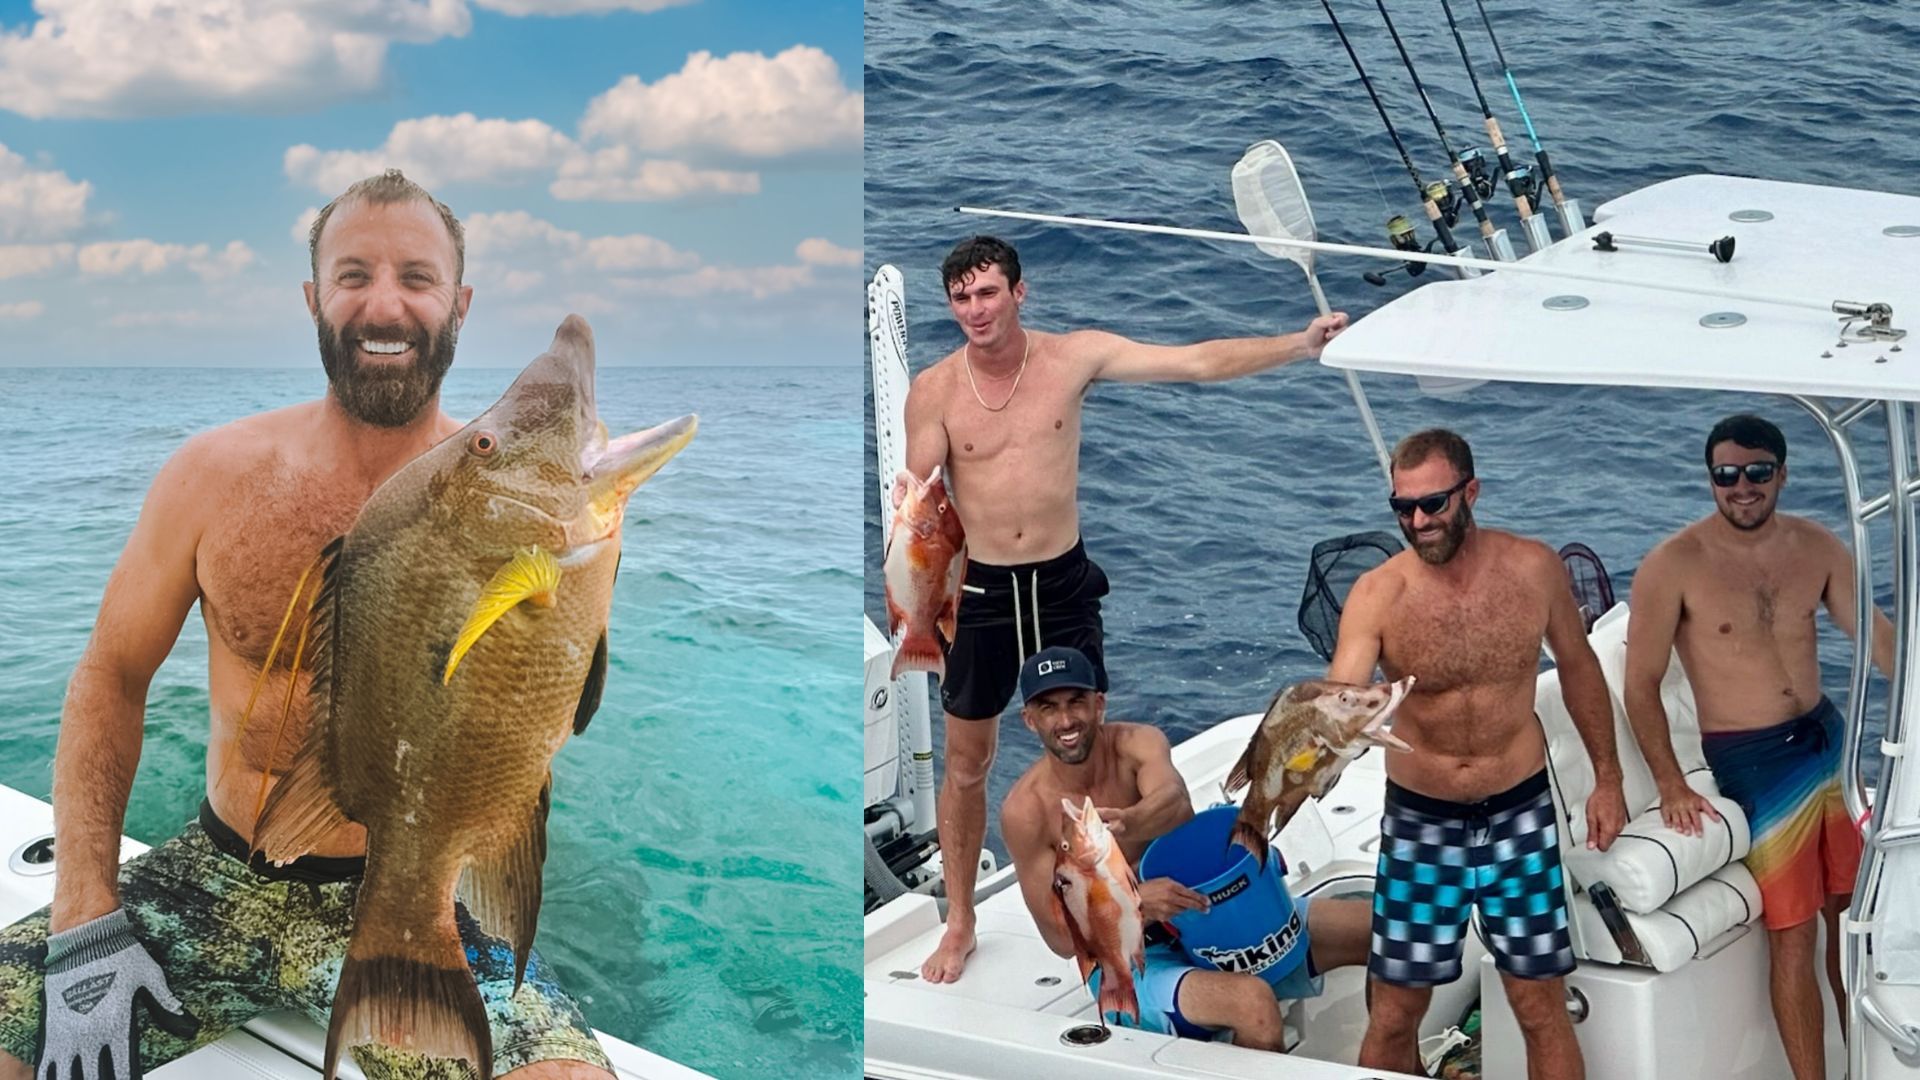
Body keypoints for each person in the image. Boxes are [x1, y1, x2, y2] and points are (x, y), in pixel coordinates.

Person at [0, 171, 614, 1080]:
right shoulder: (210, 476)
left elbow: (551, 697)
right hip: (219, 879)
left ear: (459, 303)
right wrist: (84, 907)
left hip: (428, 902)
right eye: (353, 272)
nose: (385, 302)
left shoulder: (527, 499)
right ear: (313, 297)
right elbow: (111, 677)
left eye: (417, 275)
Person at [905, 234, 1351, 983]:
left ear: (1020, 292)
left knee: (1090, 749)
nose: (974, 311)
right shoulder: (936, 389)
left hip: (1061, 582)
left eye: (987, 294)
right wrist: (912, 591)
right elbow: (916, 502)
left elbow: (1194, 362)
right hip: (979, 591)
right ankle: (960, 921)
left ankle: (1132, 901)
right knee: (966, 764)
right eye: (960, 298)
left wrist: (1300, 345)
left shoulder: (1073, 358)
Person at [1325, 428, 1628, 1080]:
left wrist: (1608, 777)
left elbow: (1578, 668)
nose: (1418, 522)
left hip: (1518, 813)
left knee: (1538, 1003)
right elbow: (1343, 689)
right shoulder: (1378, 594)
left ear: (1471, 492)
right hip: (1420, 822)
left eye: (1433, 504)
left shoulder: (1532, 569)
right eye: (1402, 509)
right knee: (1396, 1012)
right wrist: (1349, 708)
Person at [1624, 413, 1890, 1080]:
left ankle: (1865, 1060)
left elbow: (1880, 640)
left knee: (1854, 915)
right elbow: (1641, 686)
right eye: (1725, 475)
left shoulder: (1818, 546)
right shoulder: (1673, 565)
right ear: (1710, 479)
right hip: (1754, 759)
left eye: (1756, 473)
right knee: (1795, 932)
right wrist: (1671, 782)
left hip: (1828, 744)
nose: (1740, 487)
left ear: (1783, 473)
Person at [1000, 646, 1371, 1048]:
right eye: (1049, 708)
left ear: (1100, 704)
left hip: (1207, 915)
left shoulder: (1138, 743)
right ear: (1029, 720)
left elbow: (1175, 802)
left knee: (1385, 928)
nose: (1066, 719)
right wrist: (1135, 905)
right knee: (1253, 1003)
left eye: (1077, 702)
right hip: (1129, 960)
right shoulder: (1026, 812)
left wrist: (1131, 820)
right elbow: (1059, 938)